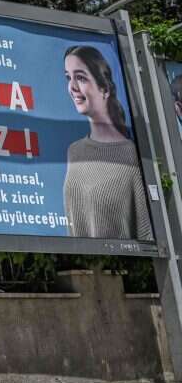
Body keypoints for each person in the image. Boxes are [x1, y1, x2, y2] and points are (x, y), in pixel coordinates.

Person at [62, 45, 153, 241]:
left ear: (104, 89)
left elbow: (146, 232)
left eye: (80, 77)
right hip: (86, 262)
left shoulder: (131, 154)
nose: (72, 87)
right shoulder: (75, 152)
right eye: (68, 77)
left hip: (121, 267)